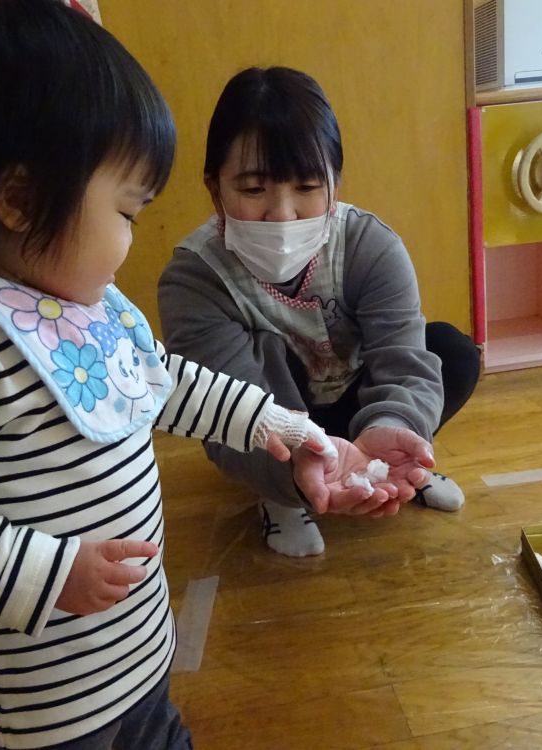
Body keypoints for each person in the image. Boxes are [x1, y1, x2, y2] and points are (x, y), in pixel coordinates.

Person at [0, 5, 414, 748]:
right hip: (50, 698)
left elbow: (170, 384)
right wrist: (49, 575)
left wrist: (287, 428)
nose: (132, 238)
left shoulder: (84, 310)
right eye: (124, 210)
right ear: (19, 201)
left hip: (137, 650)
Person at [158, 66, 482, 558]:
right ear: (215, 190)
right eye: (252, 190)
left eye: (308, 187)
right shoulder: (195, 278)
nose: (282, 213)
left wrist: (393, 423)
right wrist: (296, 461)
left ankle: (399, 458)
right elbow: (225, 411)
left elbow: (402, 358)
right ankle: (282, 495)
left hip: (355, 398)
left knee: (451, 352)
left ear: (335, 184)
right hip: (280, 419)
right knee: (266, 355)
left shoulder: (369, 244)